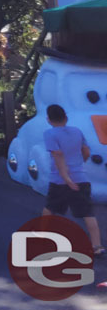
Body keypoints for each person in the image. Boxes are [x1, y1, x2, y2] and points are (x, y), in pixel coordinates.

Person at [42, 104, 105, 255]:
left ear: (48, 120)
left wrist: (66, 178)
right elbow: (86, 151)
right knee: (88, 212)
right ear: (66, 118)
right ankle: (97, 246)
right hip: (81, 178)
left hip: (60, 180)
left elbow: (58, 155)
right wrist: (79, 164)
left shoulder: (50, 134)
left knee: (50, 208)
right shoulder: (77, 131)